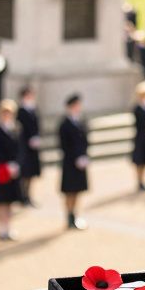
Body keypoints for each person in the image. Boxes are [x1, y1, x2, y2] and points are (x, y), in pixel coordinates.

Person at [0, 100, 21, 241]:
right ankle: (1, 228)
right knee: (1, 201)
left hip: (13, 168)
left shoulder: (16, 129)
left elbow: (20, 149)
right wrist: (7, 165)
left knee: (9, 201)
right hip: (2, 169)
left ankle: (8, 227)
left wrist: (17, 164)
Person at [58, 93, 89, 230]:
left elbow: (85, 141)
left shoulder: (81, 121)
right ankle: (69, 216)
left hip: (80, 161)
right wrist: (76, 158)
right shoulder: (64, 124)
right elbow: (64, 145)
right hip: (70, 162)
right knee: (69, 191)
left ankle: (75, 215)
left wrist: (83, 156)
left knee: (77, 190)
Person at [16, 86, 42, 206]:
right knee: (24, 173)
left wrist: (37, 137)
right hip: (24, 148)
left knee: (31, 173)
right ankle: (22, 196)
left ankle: (28, 196)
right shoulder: (20, 111)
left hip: (33, 147)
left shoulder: (34, 109)